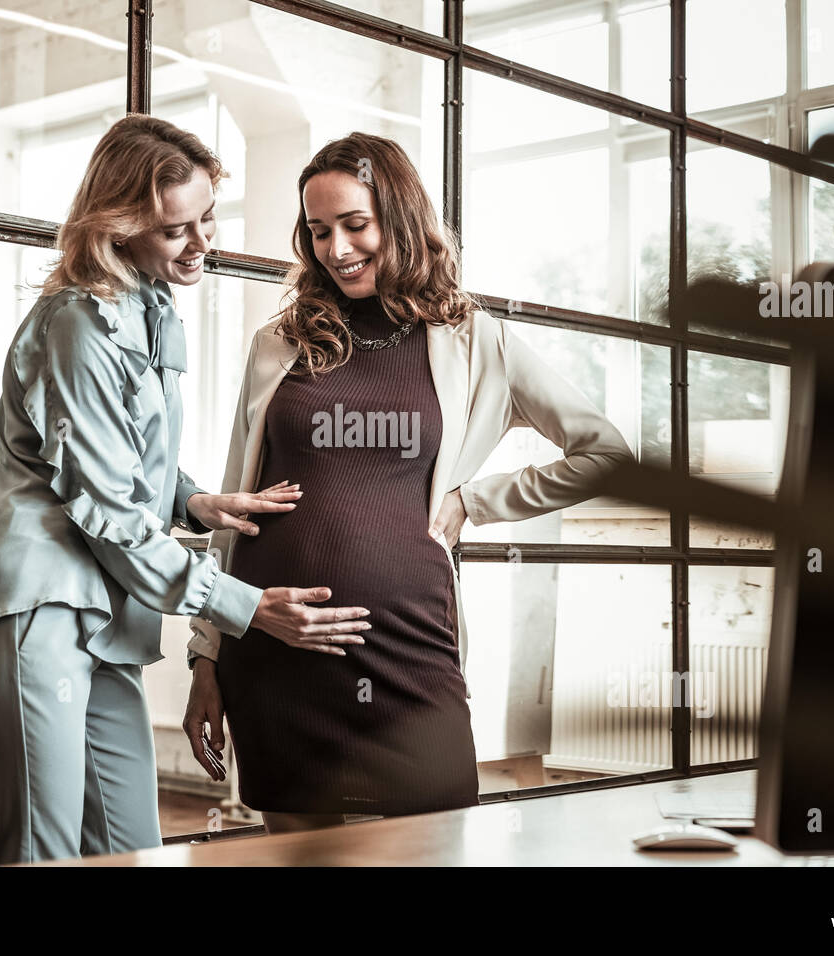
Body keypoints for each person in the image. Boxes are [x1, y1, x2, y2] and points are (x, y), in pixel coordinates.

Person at [0, 115, 370, 864]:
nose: (203, 244)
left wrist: (195, 502)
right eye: (178, 230)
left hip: (107, 620)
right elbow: (106, 509)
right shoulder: (76, 324)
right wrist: (246, 608)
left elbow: (129, 458)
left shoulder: (149, 309)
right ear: (119, 227)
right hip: (35, 614)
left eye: (208, 220)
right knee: (43, 856)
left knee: (128, 850)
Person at [183, 132, 634, 834]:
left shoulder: (474, 340)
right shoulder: (278, 343)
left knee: (432, 843)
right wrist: (206, 657)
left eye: (355, 225)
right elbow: (234, 504)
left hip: (408, 652)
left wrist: (473, 501)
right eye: (319, 230)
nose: (338, 249)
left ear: (398, 216)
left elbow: (603, 450)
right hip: (277, 657)